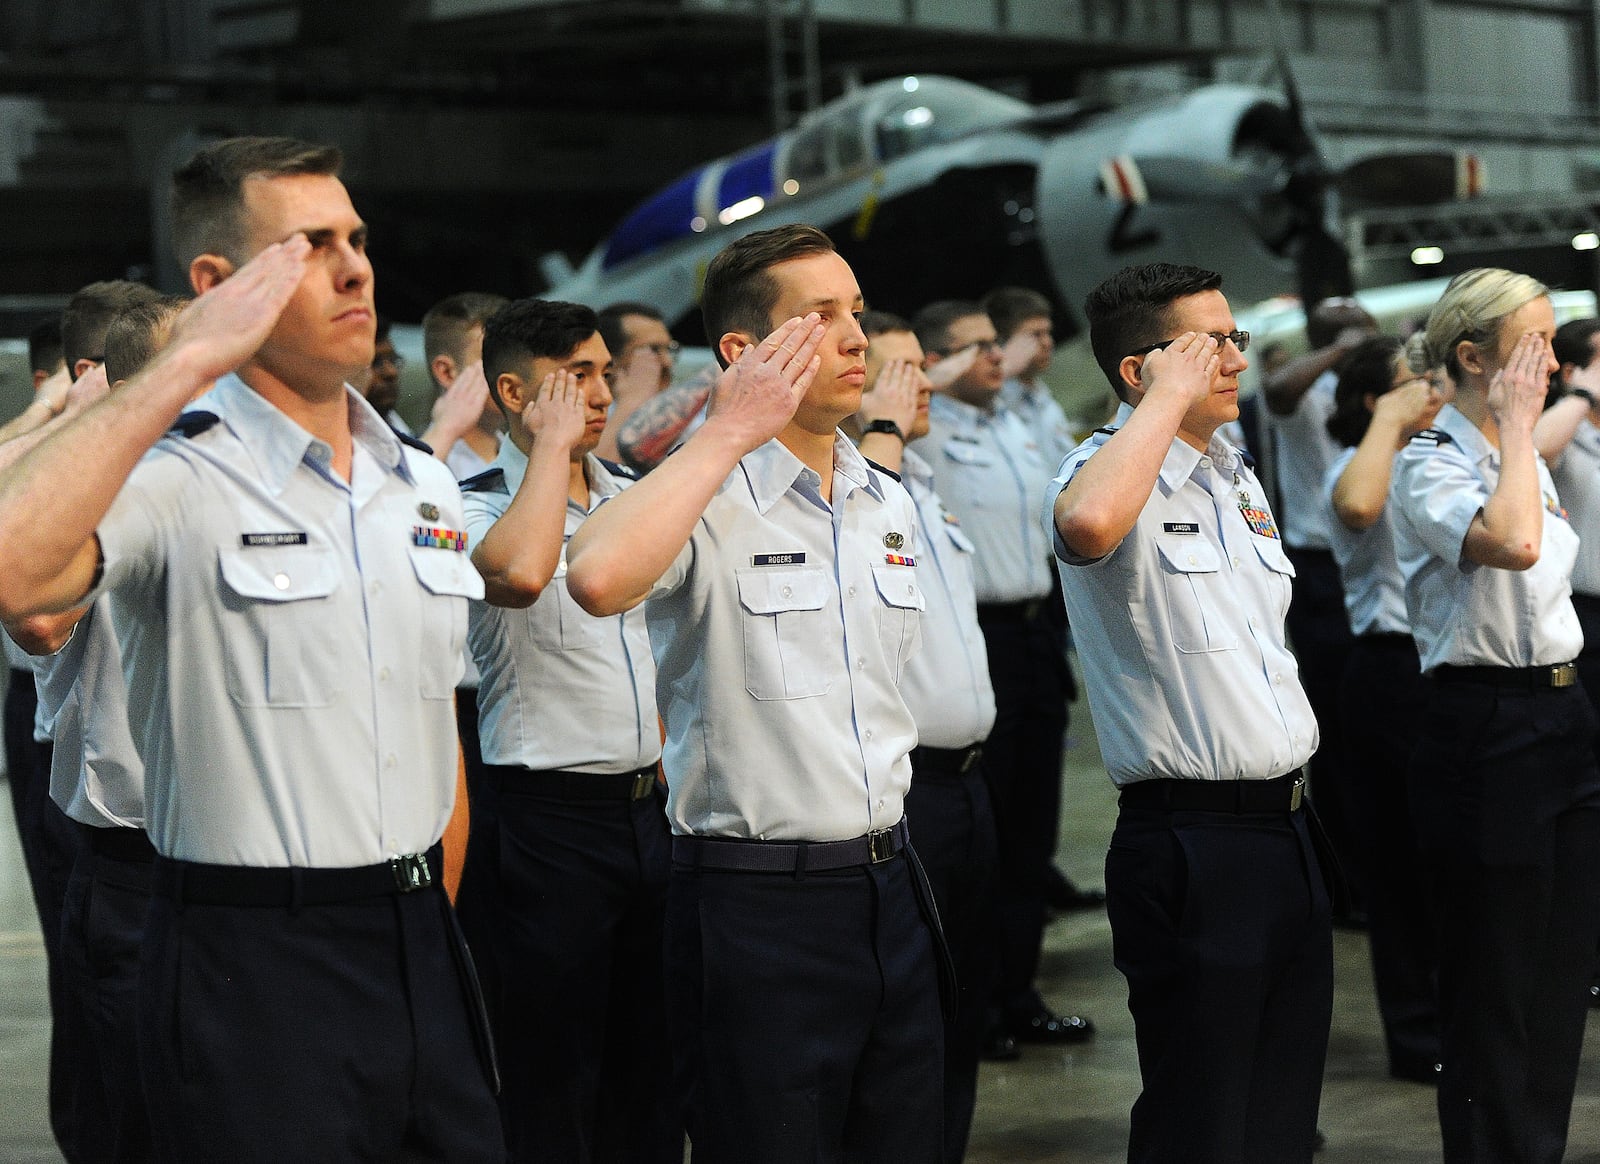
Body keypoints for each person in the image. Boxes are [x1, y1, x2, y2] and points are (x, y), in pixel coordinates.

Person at [0, 135, 503, 1162]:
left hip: (420, 943)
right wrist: (186, 360)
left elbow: (434, 721)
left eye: (356, 238)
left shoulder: (421, 485)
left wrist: (424, 911)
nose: (355, 265)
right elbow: (15, 575)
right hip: (249, 957)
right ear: (217, 283)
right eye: (312, 245)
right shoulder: (178, 474)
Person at [565, 224, 945, 1163]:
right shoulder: (703, 495)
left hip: (892, 887)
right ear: (744, 351)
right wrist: (728, 429)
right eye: (822, 317)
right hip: (758, 906)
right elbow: (597, 576)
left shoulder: (882, 498)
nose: (857, 338)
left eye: (855, 312)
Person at [1049, 262, 1330, 1162]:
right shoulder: (1107, 472)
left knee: (1282, 1108)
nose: (1236, 359)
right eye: (1213, 344)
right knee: (1201, 1116)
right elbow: (1088, 525)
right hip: (1193, 839)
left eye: (1235, 339)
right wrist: (1162, 410)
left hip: (1288, 827)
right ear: (1142, 370)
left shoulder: (1232, 477)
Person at [459, 297, 677, 1162]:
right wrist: (547, 450)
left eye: (602, 371)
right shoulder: (469, 502)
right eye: (575, 376)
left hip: (648, 810)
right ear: (514, 391)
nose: (600, 391)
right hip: (544, 821)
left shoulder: (631, 496)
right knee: (551, 1067)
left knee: (652, 1062)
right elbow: (516, 573)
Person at [1391, 268, 1600, 1162]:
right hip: (1485, 727)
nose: (1552, 362)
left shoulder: (1516, 459)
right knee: (1494, 985)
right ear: (1473, 358)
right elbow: (1513, 546)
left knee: (1559, 980)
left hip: (1563, 715)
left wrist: (1518, 437)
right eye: (1535, 344)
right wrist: (1518, 428)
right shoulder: (1428, 462)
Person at [16, 292, 192, 1164]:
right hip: (130, 853)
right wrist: (68, 431)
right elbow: (36, 619)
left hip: (240, 859)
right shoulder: (86, 508)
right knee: (129, 1112)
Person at [913, 298, 1093, 1060]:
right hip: (973, 637)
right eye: (976, 347)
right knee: (979, 846)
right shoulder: (927, 439)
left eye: (998, 343)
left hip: (1032, 634)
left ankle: (1018, 993)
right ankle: (973, 1007)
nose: (998, 357)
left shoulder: (1012, 422)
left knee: (1028, 836)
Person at [847, 309, 998, 1163]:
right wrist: (885, 433)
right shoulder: (870, 497)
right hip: (911, 789)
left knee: (964, 995)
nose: (921, 388)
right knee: (914, 1014)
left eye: (920, 369)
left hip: (971, 779)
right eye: (897, 372)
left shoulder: (926, 492)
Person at [1322, 335, 1448, 1084]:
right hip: (1389, 672)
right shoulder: (1356, 465)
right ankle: (1417, 1032)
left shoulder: (1438, 458)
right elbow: (1361, 506)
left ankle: (1462, 1016)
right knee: (1400, 869)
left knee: (1454, 862)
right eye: (1413, 381)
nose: (1431, 389)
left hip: (1445, 674)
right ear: (1374, 399)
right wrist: (1389, 422)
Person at [1261, 296, 1379, 917]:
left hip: (1376, 566)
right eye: (1336, 329)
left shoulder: (1377, 392)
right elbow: (1276, 387)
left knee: (1373, 727)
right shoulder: (1306, 392)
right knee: (1332, 727)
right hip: (1320, 570)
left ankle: (1376, 867)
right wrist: (1341, 348)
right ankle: (1345, 882)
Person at [419, 290, 509, 477]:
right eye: (496, 359)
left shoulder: (524, 454)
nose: (515, 374)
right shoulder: (429, 464)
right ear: (447, 373)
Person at [594, 300, 677, 463]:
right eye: (654, 350)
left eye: (669, 349)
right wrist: (633, 400)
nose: (668, 362)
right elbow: (597, 475)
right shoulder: (584, 418)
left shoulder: (683, 407)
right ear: (610, 359)